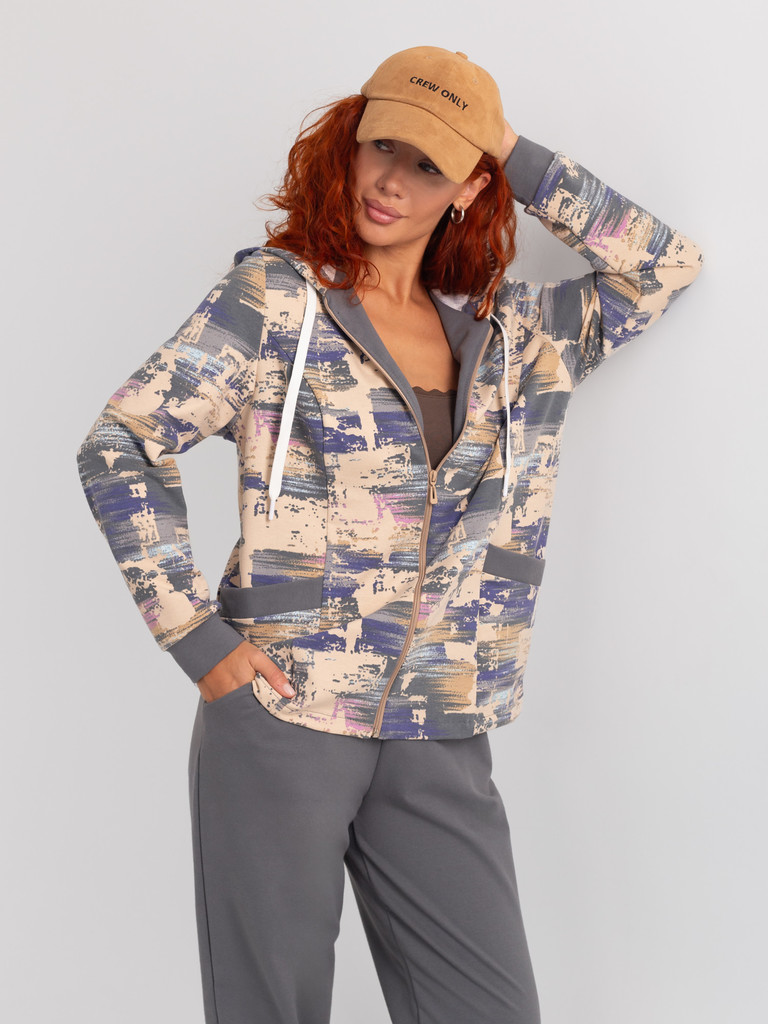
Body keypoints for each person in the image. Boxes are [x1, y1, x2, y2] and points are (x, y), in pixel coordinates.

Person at [76, 45, 703, 1024]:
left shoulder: (518, 337)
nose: (391, 182)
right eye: (383, 146)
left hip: (442, 721)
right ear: (350, 142)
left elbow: (664, 264)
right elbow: (122, 441)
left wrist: (505, 148)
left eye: (428, 163)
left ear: (470, 186)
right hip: (284, 709)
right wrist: (195, 636)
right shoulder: (276, 300)